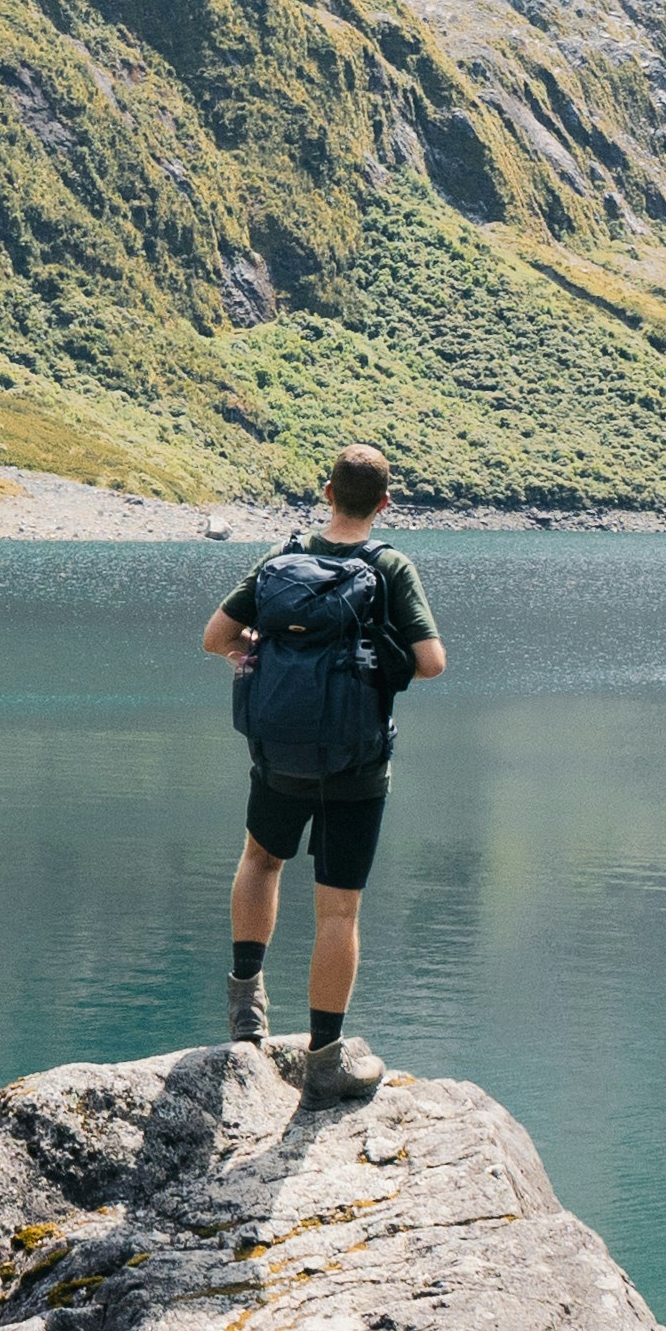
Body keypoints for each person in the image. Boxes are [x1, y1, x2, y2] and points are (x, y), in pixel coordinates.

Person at [203, 444, 442, 1102]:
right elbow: (431, 661)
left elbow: (214, 636)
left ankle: (246, 1016)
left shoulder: (279, 560)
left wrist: (257, 648)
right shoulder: (388, 566)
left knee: (260, 860)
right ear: (384, 504)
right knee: (337, 908)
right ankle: (325, 1060)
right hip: (356, 764)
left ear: (328, 493)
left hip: (278, 755)